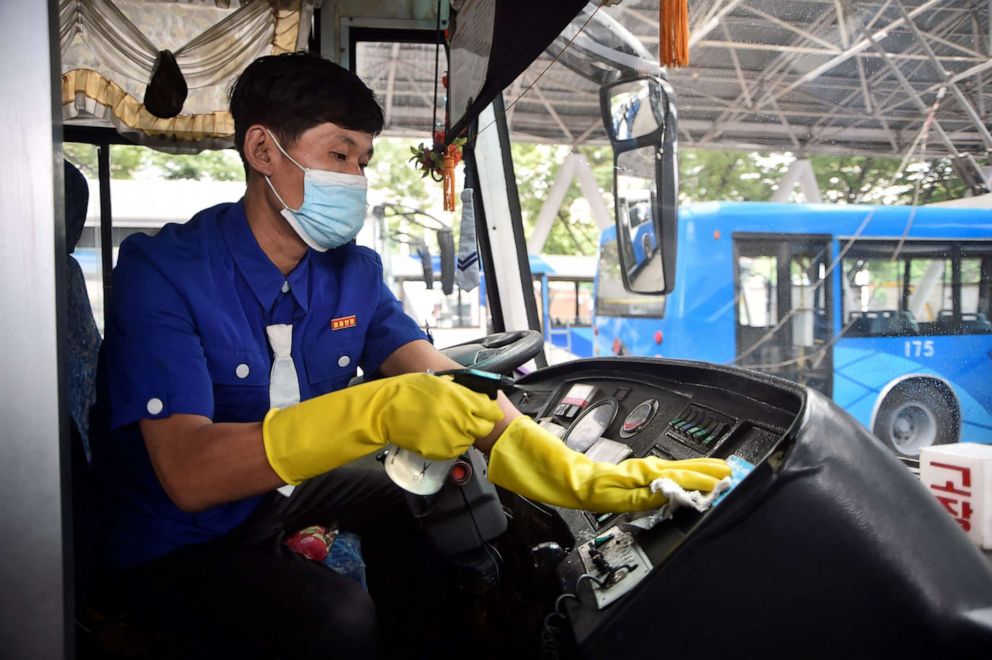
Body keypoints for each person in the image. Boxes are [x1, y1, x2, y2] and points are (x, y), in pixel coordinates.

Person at [91, 52, 730, 658]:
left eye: (364, 160)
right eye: (338, 154)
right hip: (174, 536)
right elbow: (189, 475)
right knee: (336, 621)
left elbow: (447, 383)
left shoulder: (352, 274)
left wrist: (583, 479)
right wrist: (377, 411)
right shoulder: (163, 272)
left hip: (274, 498)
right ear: (263, 150)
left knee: (427, 504)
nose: (357, 180)